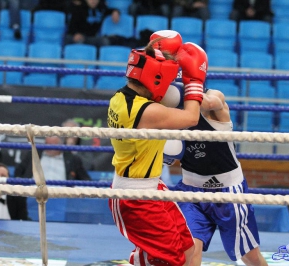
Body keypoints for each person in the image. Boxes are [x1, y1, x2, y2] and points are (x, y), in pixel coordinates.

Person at [107, 29, 208, 265]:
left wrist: (161, 51)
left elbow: (163, 95)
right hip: (135, 196)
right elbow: (192, 118)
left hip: (152, 186)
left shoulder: (120, 98)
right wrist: (195, 81)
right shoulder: (148, 111)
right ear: (156, 77)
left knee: (187, 250)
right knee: (171, 260)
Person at [163, 87, 268, 265]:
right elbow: (170, 159)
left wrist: (184, 90)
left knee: (250, 256)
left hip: (228, 192)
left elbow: (213, 102)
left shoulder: (212, 97)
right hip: (190, 192)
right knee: (189, 249)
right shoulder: (168, 111)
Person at [15, 136, 91, 181]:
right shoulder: (34, 154)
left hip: (62, 197)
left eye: (52, 144)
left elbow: (86, 180)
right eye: (47, 144)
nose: (48, 147)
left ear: (60, 145)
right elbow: (18, 171)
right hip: (34, 193)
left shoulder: (72, 159)